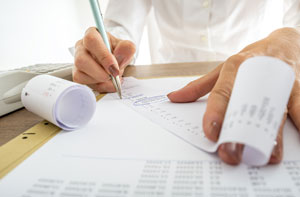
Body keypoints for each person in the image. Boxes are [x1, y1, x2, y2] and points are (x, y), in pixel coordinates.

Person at [73, 0, 300, 165]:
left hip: (256, 74)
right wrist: (109, 47)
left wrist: (292, 39)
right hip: (164, 75)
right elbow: (122, 24)